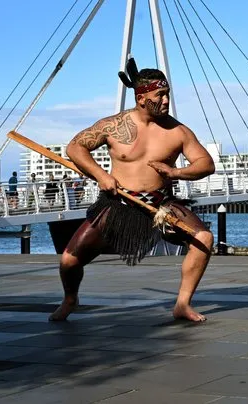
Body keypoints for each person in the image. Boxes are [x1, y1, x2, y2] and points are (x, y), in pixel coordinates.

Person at [49, 57, 215, 323]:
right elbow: (75, 148)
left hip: (160, 206)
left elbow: (206, 164)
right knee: (69, 261)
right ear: (141, 97)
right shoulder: (113, 126)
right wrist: (101, 175)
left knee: (204, 238)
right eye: (159, 95)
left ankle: (182, 304)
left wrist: (175, 172)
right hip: (119, 204)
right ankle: (70, 299)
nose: (165, 100)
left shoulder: (178, 131)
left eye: (167, 94)